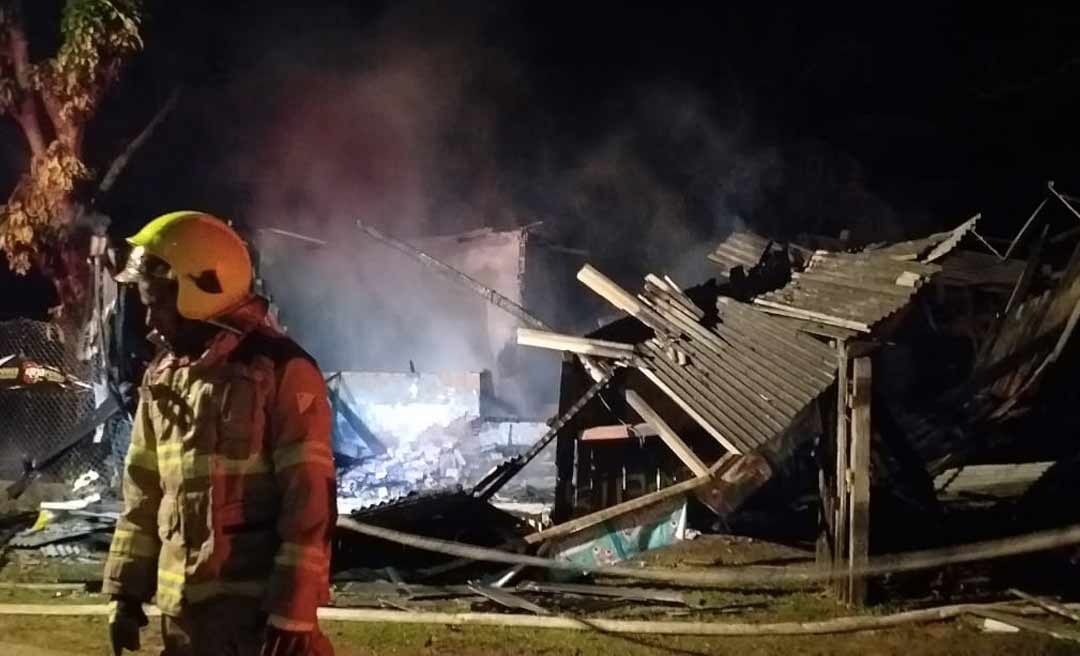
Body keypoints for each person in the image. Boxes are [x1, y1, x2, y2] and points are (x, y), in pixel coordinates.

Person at [103, 211, 337, 656]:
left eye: (158, 304)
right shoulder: (162, 378)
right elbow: (142, 494)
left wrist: (294, 610)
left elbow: (309, 502)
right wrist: (125, 592)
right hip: (184, 627)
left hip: (259, 627)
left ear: (199, 292)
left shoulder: (281, 372)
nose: (151, 322)